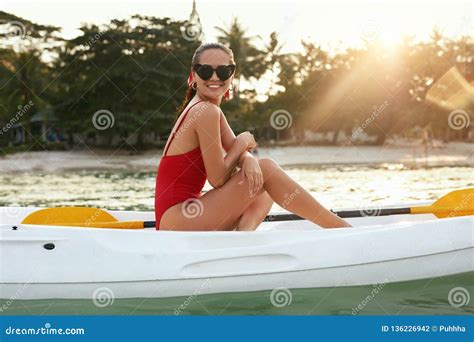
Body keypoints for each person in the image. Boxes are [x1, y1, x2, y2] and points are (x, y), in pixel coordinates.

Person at [155, 43, 351, 231]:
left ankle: (243, 239)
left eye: (223, 71)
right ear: (193, 76)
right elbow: (217, 178)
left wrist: (247, 157)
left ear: (232, 76)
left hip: (179, 217)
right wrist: (242, 143)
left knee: (259, 173)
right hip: (177, 220)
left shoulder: (208, 109)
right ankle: (340, 229)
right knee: (266, 169)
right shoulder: (205, 111)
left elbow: (238, 154)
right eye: (206, 70)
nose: (214, 77)